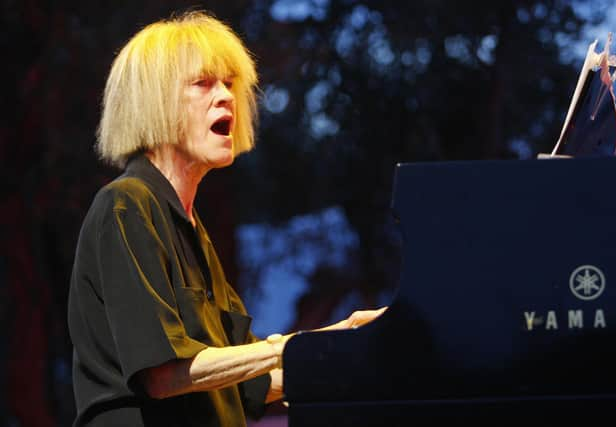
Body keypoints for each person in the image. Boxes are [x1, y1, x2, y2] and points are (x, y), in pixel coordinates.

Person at [67, 10, 385, 427]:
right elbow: (164, 375)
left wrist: (349, 344)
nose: (227, 97)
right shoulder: (125, 206)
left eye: (231, 83)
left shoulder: (191, 227)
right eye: (203, 83)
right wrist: (299, 344)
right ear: (152, 101)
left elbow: (246, 386)